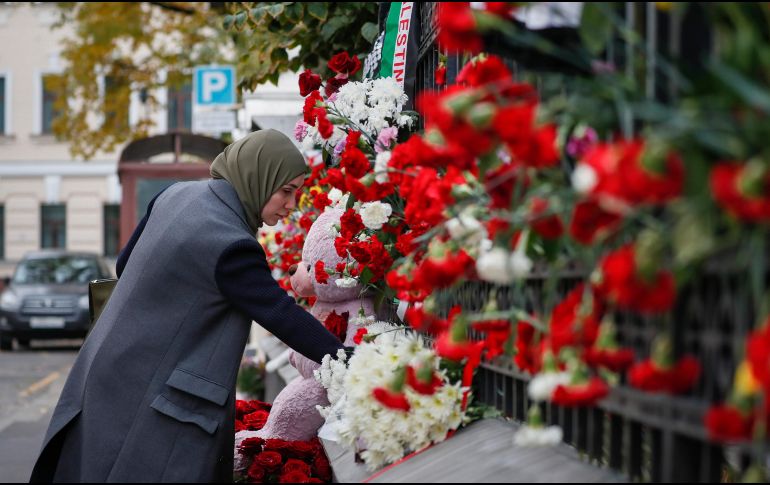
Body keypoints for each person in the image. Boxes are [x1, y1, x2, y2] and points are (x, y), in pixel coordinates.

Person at [29, 129, 347, 483]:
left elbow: (124, 264)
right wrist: (350, 360)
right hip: (152, 396)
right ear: (258, 176)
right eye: (286, 191)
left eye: (297, 193)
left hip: (106, 371)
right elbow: (280, 314)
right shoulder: (230, 244)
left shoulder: (176, 194)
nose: (291, 205)